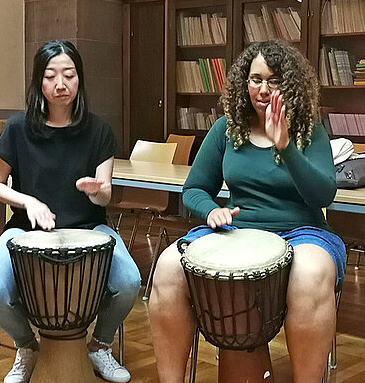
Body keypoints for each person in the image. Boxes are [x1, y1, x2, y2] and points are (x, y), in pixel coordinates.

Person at [148, 39, 345, 383]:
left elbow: (323, 195)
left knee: (310, 275)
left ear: (291, 85)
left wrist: (285, 146)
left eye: (274, 80)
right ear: (244, 82)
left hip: (302, 231)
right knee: (166, 269)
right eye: (255, 79)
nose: (263, 89)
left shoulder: (308, 131)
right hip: (237, 231)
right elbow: (194, 189)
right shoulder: (227, 129)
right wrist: (211, 211)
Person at [0, 39, 140, 383]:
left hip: (90, 228)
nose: (60, 83)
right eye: (51, 75)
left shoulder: (99, 131)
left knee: (129, 282)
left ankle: (99, 346)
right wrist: (29, 201)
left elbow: (105, 196)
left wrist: (98, 192)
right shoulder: (17, 127)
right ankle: (26, 346)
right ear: (39, 80)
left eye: (69, 74)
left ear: (79, 79)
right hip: (24, 229)